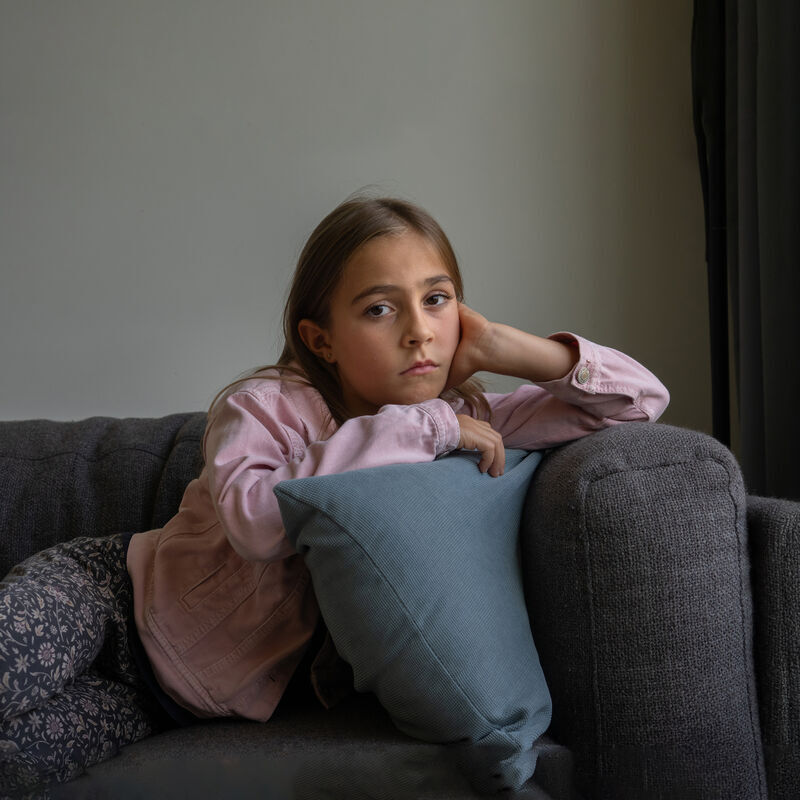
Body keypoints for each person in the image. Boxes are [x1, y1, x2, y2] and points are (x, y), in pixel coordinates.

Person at [0, 195, 669, 792]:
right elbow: (256, 522)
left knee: (17, 763)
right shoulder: (266, 405)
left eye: (437, 299)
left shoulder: (471, 418)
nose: (419, 330)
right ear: (321, 339)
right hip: (109, 596)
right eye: (380, 308)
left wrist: (502, 344)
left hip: (176, 701)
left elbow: (640, 402)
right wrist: (423, 428)